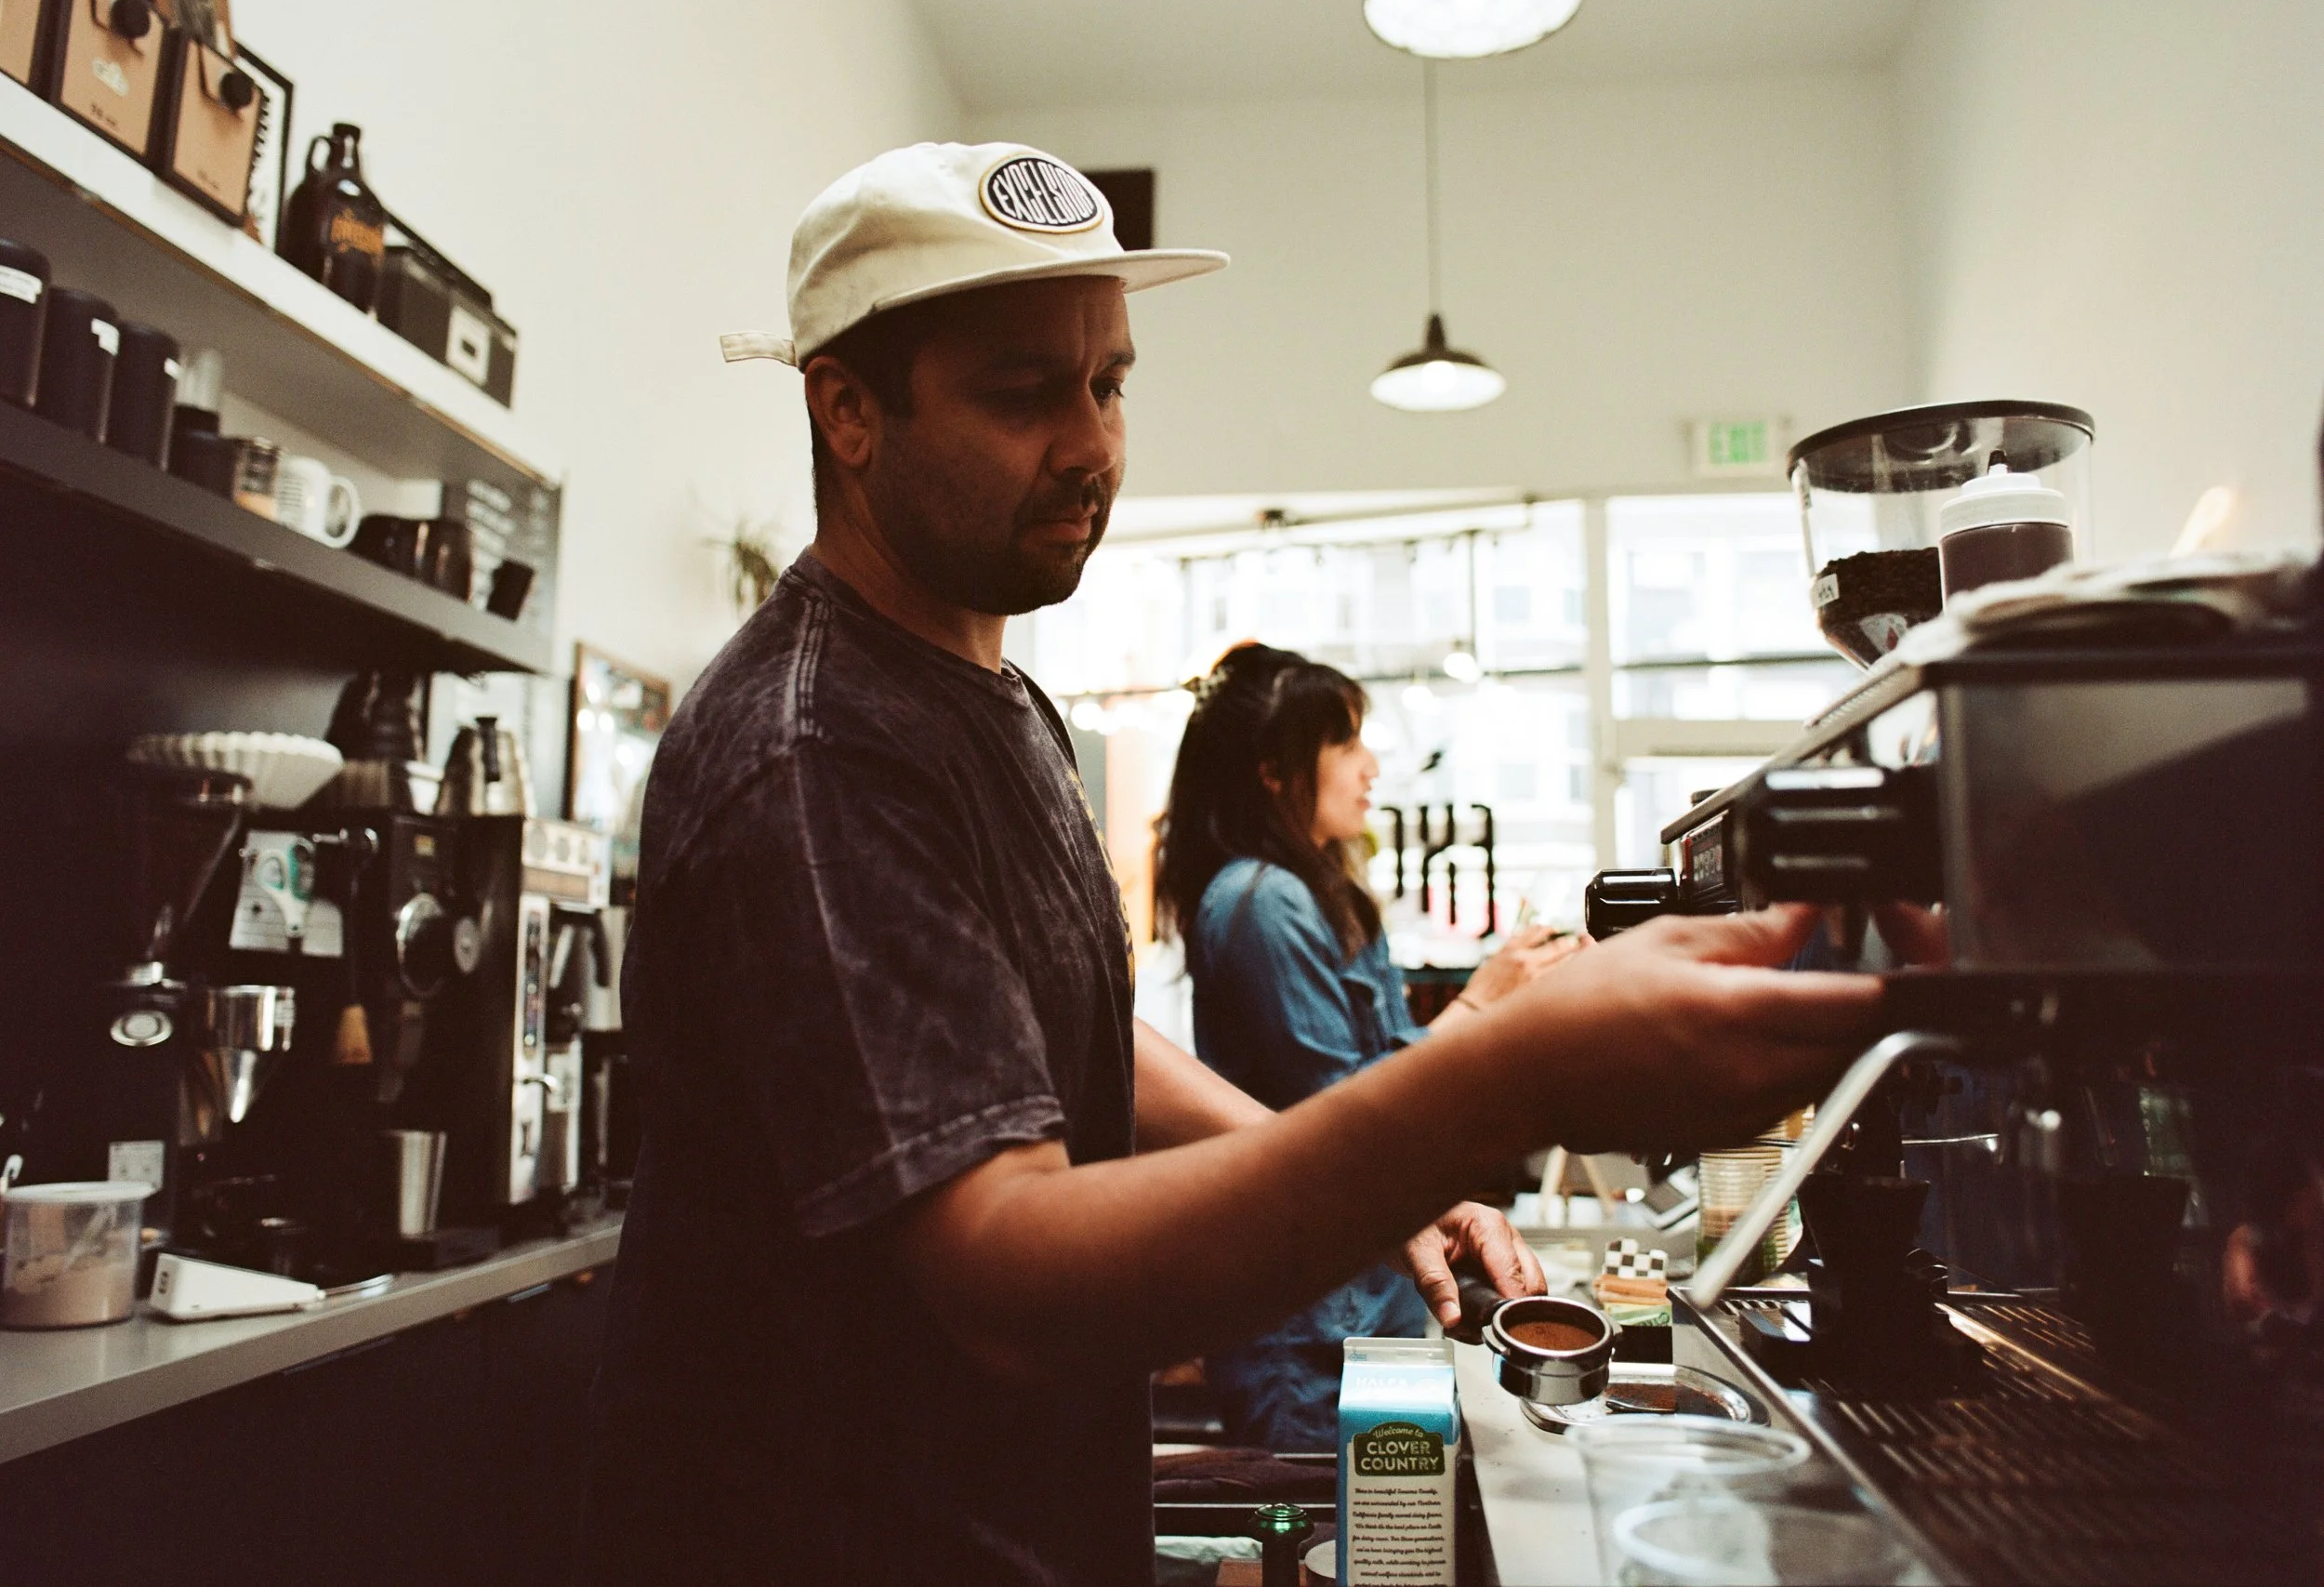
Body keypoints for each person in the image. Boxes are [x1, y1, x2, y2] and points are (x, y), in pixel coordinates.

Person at [582, 140, 1884, 1586]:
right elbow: (1004, 1273)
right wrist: (1499, 1084)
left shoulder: (995, 704)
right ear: (848, 411)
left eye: (1109, 381)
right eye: (1023, 391)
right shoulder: (817, 744)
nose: (1090, 443)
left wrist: (1375, 1173)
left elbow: (1067, 1037)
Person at [1155, 642, 1583, 1448]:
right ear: (1274, 771)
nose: (1371, 766)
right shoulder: (1260, 899)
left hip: (1360, 1298)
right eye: (1345, 742)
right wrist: (1484, 1004)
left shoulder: (1310, 889)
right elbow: (1350, 1112)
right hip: (1308, 1324)